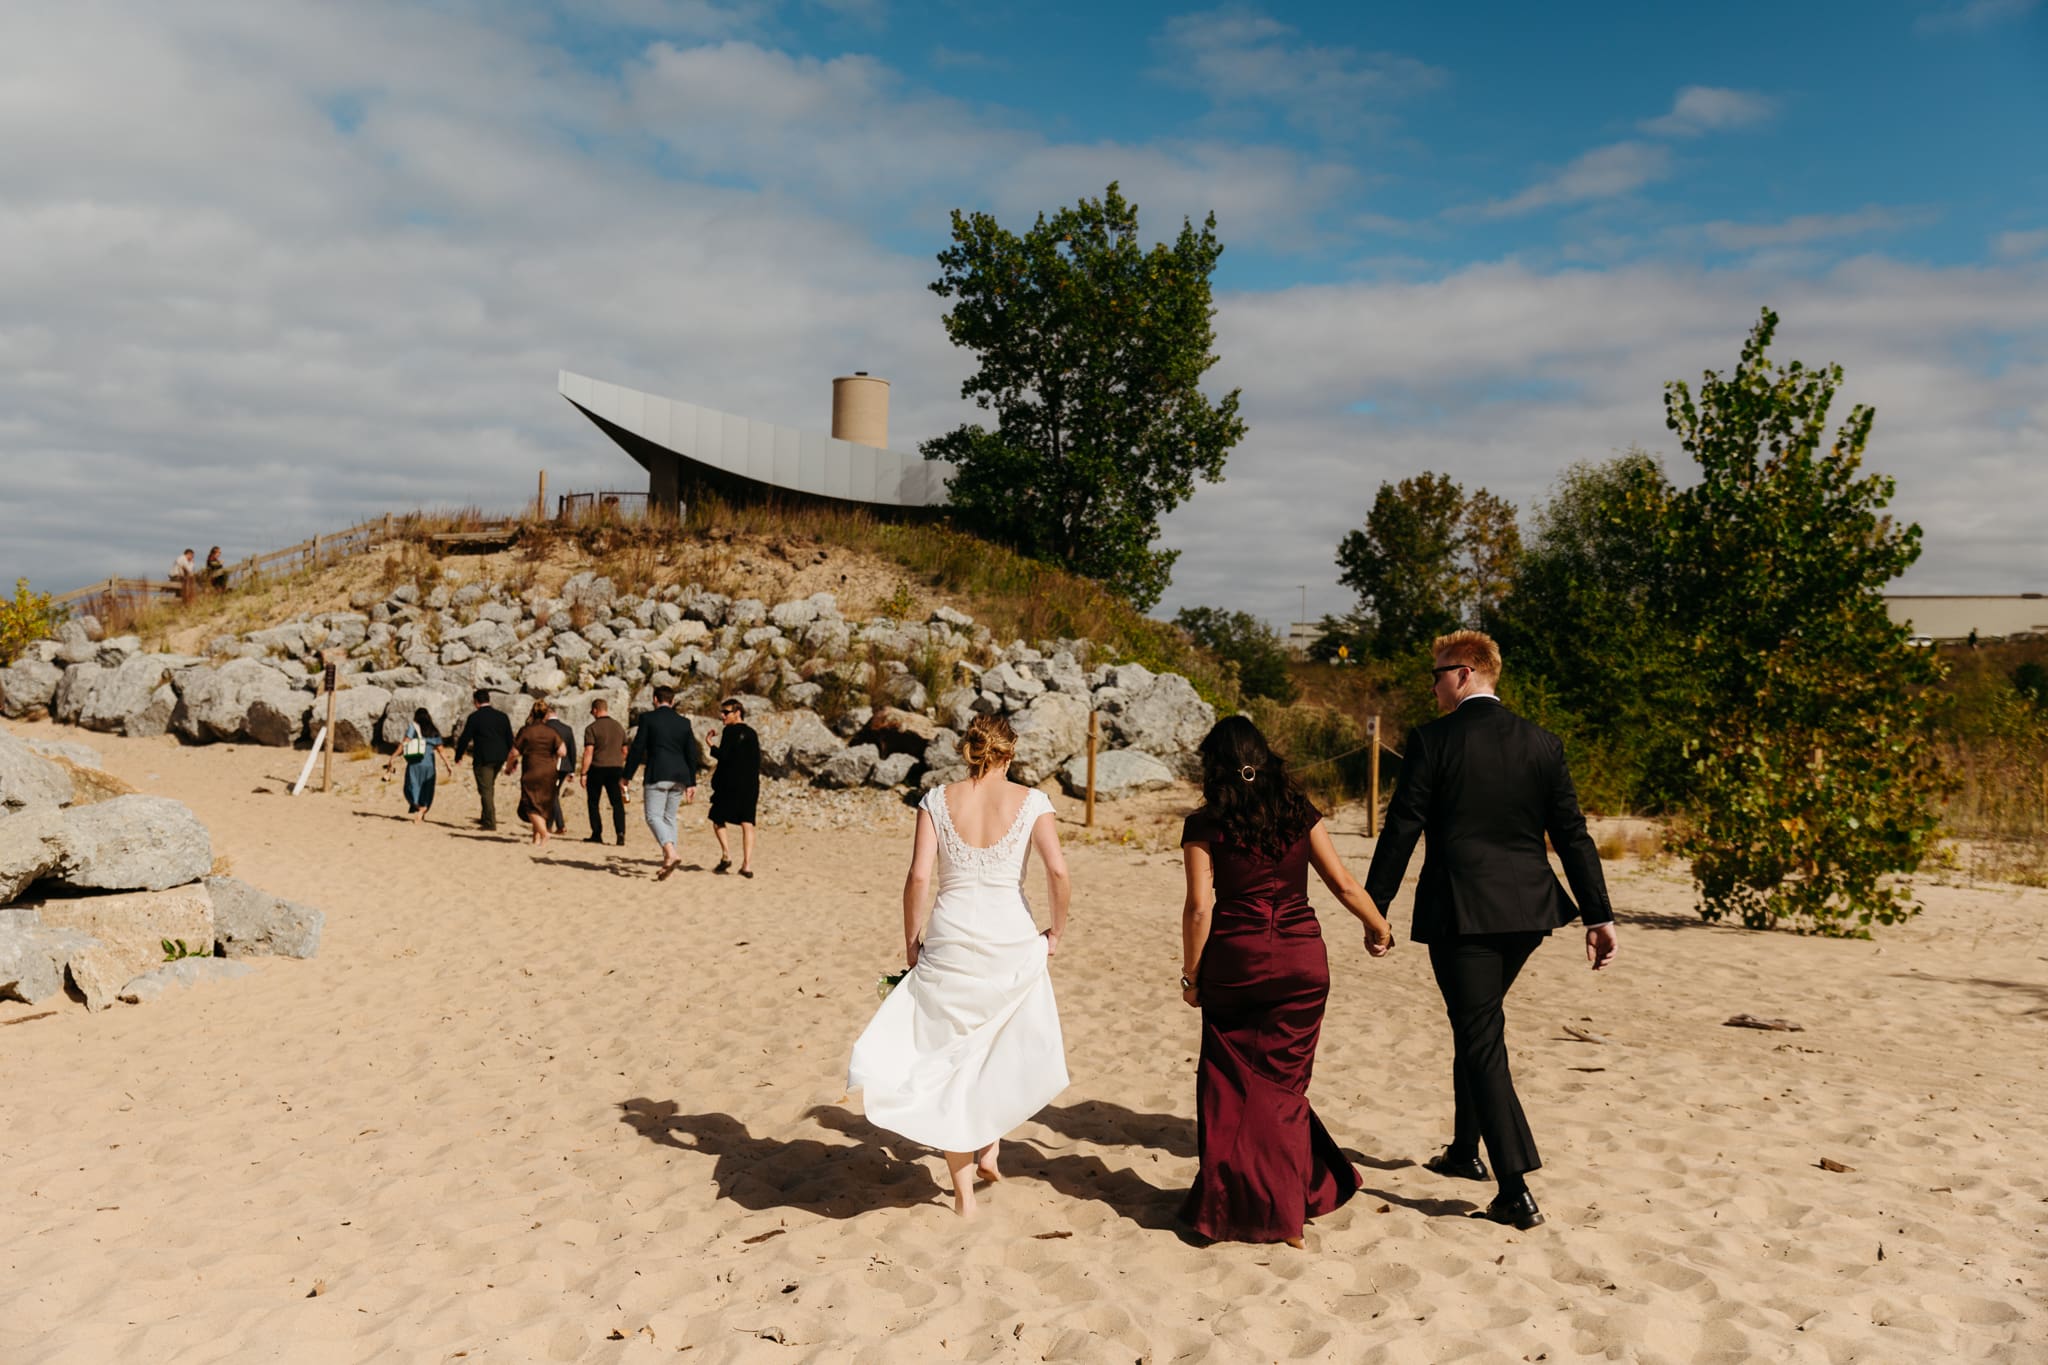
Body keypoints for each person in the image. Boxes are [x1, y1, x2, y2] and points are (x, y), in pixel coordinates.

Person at [1363, 629, 1618, 1232]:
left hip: (1463, 913)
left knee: (1479, 1034)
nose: (1431, 685)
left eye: (1437, 673)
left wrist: (1375, 906)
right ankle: (1461, 1150)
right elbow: (1573, 835)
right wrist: (1599, 915)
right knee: (1477, 1021)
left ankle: (1514, 1187)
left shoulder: (1433, 741)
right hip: (1530, 912)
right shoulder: (1543, 743)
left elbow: (1403, 827)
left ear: (1467, 672)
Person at [1178, 715, 1395, 1248]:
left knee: (1227, 1086)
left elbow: (1200, 907)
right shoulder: (1299, 813)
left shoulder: (1205, 824)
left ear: (1215, 766)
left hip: (1237, 962)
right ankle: (1288, 1204)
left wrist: (1191, 973)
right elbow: (1343, 884)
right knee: (1285, 1088)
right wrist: (1378, 925)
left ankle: (1246, 1209)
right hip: (1302, 962)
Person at [847, 714, 1071, 1219]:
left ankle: (967, 1189)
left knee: (951, 1053)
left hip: (950, 933)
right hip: (1009, 935)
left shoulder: (935, 799)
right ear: (1009, 754)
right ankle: (988, 1144)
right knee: (995, 1041)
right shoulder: (1032, 801)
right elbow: (1058, 869)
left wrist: (911, 940)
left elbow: (919, 877)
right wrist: (1056, 931)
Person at [621, 685, 699, 880]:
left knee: (652, 816)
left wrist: (626, 775)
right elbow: (691, 753)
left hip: (658, 772)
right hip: (680, 775)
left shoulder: (648, 719)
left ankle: (670, 852)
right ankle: (667, 860)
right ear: (672, 701)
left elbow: (638, 748)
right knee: (669, 818)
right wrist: (692, 782)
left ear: (655, 699)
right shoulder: (684, 723)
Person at [707, 698, 760, 877]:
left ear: (737, 712)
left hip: (730, 785)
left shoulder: (729, 731)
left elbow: (725, 756)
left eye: (726, 712)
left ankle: (726, 854)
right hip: (750, 785)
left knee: (717, 818)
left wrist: (710, 745)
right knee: (747, 823)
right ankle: (747, 865)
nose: (722, 716)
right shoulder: (752, 733)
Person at [507, 700, 568, 849]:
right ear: (546, 714)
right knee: (542, 804)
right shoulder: (552, 732)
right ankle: (536, 838)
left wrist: (509, 766)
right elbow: (563, 751)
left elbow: (514, 752)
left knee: (529, 804)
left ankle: (544, 833)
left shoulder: (526, 731)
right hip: (549, 772)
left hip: (532, 770)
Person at [452, 689, 514, 831]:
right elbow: (510, 738)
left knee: (485, 789)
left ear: (476, 702)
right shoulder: (502, 716)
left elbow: (465, 738)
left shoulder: (475, 717)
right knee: (488, 786)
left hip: (483, 758)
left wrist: (458, 755)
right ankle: (485, 816)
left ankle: (490, 822)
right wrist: (512, 759)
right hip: (500, 757)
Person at [383, 707, 452, 823]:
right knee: (427, 789)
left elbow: (404, 743)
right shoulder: (433, 730)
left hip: (415, 762)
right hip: (429, 764)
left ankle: (420, 809)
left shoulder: (413, 727)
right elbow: (441, 750)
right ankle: (423, 811)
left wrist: (393, 756)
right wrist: (448, 765)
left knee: (410, 787)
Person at [577, 697, 630, 846]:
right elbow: (625, 750)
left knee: (594, 802)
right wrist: (619, 761)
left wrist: (583, 773)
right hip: (616, 768)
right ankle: (620, 834)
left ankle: (597, 833)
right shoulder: (618, 727)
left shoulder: (592, 728)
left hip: (597, 768)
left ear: (595, 710)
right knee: (617, 803)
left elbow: (589, 751)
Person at [544, 706, 577, 836]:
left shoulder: (545, 728)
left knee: (552, 795)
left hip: (550, 764)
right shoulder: (567, 728)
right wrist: (572, 770)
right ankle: (550, 825)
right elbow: (572, 750)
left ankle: (559, 825)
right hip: (565, 766)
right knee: (553, 793)